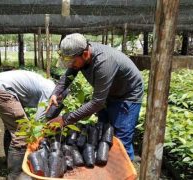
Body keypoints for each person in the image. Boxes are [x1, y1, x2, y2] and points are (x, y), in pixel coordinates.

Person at [47, 33, 144, 161]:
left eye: (72, 62)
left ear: (85, 54)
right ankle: (106, 167)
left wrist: (65, 119)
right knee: (102, 133)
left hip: (127, 94)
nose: (71, 65)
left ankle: (124, 172)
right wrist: (56, 92)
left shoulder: (104, 63)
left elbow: (97, 102)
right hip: (108, 92)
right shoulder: (80, 55)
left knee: (121, 140)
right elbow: (68, 76)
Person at [0, 70, 55, 180]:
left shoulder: (48, 84)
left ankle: (9, 162)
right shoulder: (51, 91)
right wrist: (40, 137)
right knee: (23, 132)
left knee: (13, 127)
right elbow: (39, 120)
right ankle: (16, 175)